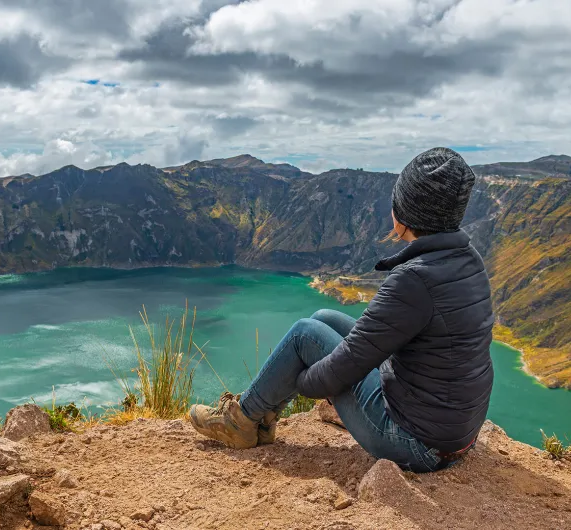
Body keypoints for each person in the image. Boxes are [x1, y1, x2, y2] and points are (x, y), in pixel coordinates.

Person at [189, 147, 494, 472]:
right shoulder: (466, 258)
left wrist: (304, 379)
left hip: (416, 444)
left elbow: (343, 367)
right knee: (324, 319)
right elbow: (373, 345)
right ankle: (261, 418)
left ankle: (241, 421)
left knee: (304, 335)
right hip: (455, 432)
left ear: (405, 210)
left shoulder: (413, 278)